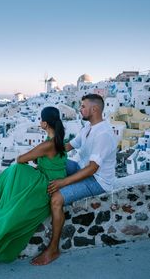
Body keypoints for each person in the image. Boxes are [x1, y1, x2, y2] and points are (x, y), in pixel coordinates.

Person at [0, 106, 67, 263]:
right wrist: (38, 158)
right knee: (15, 170)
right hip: (49, 180)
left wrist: (35, 158)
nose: (40, 122)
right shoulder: (58, 140)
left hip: (47, 184)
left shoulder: (48, 144)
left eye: (41, 120)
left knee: (16, 168)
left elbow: (20, 159)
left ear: (45, 124)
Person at [31, 94, 117, 266]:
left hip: (97, 180)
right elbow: (68, 146)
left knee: (56, 199)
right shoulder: (88, 128)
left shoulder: (104, 134)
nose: (80, 109)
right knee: (47, 166)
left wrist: (63, 183)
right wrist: (44, 154)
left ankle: (53, 249)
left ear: (94, 109)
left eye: (83, 106)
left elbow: (93, 168)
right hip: (81, 168)